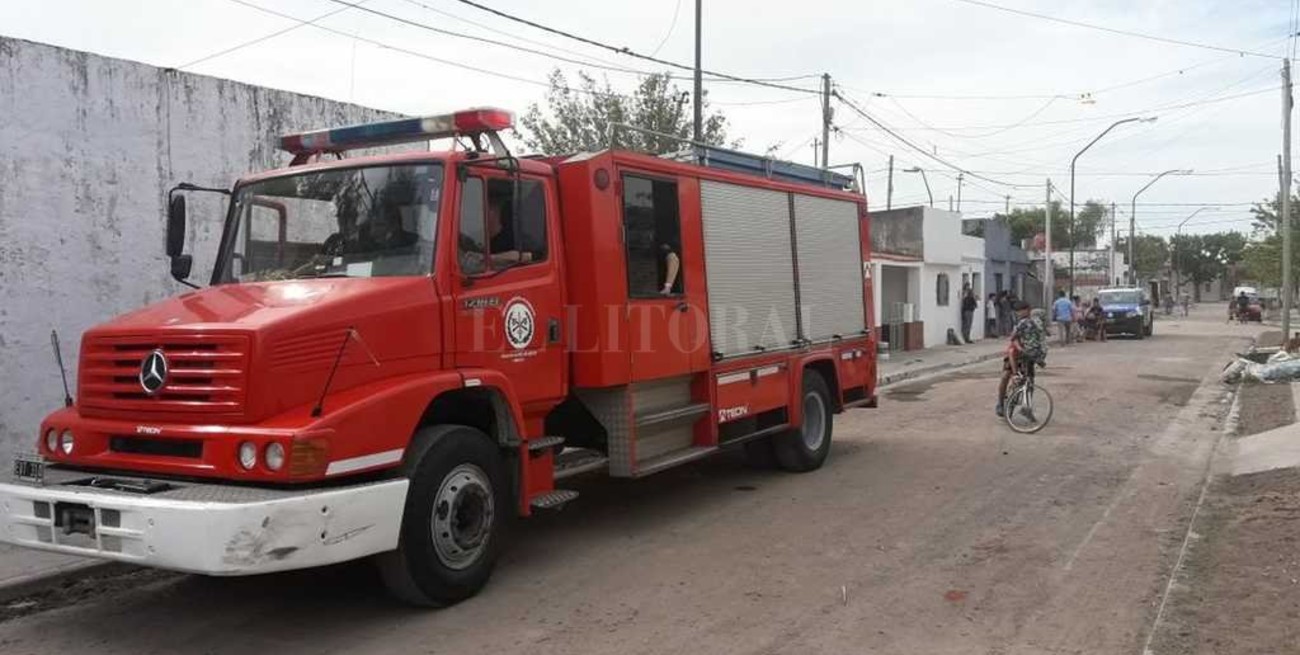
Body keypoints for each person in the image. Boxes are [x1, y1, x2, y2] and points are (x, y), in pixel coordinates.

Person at [997, 300, 1047, 417]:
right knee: (1005, 376)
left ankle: (1027, 407)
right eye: (1017, 311)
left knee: (1029, 382)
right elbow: (1013, 339)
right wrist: (1020, 348)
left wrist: (1040, 357)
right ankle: (1000, 403)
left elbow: (1042, 341)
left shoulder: (1036, 323)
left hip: (1029, 355)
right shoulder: (1020, 324)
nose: (1019, 313)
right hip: (1016, 353)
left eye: (1021, 311)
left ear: (1028, 310)